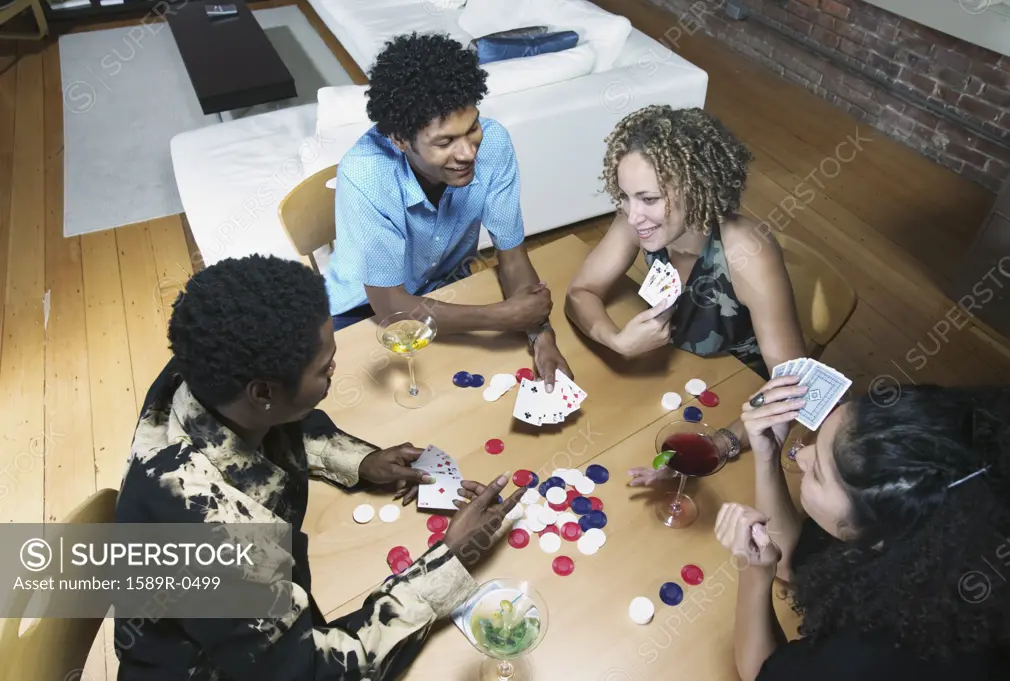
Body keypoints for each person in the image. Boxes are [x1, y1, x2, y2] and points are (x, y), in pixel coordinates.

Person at [114, 255, 526, 681]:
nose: (335, 367)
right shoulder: (222, 542)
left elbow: (268, 420)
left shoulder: (201, 368)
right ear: (263, 391)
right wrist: (448, 558)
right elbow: (314, 670)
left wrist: (361, 461)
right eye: (322, 365)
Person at [715, 375, 1010, 681]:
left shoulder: (878, 652)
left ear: (875, 532)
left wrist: (753, 573)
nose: (801, 454)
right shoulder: (939, 533)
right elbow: (789, 560)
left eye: (819, 473)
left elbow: (762, 672)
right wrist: (767, 453)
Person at [324, 32, 571, 391]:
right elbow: (390, 308)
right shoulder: (365, 174)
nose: (468, 153)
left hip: (448, 291)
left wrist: (540, 333)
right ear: (400, 140)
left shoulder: (494, 142)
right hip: (362, 313)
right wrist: (501, 317)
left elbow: (513, 258)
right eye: (444, 142)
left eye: (471, 128)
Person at [565, 105, 805, 470]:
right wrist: (616, 340)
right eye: (625, 198)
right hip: (675, 376)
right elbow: (580, 292)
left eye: (648, 199)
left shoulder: (746, 251)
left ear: (697, 188)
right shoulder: (639, 220)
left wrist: (721, 443)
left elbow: (792, 387)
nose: (632, 216)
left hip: (740, 394)